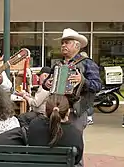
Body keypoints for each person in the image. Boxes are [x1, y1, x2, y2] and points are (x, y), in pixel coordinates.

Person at [42, 28, 102, 167]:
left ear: (76, 46)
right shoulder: (58, 64)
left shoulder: (87, 63)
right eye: (62, 43)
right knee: (56, 141)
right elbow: (47, 84)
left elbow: (97, 86)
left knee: (74, 143)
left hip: (76, 110)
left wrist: (82, 81)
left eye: (67, 42)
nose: (63, 45)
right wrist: (47, 83)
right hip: (57, 109)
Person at [28, 94, 84, 165]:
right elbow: (77, 159)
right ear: (68, 111)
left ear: (45, 110)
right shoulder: (75, 133)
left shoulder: (34, 125)